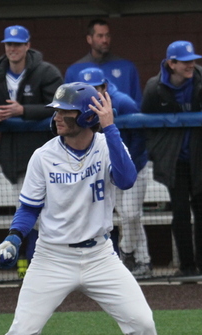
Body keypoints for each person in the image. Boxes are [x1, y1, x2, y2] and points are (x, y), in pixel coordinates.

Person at [0, 82, 181, 335]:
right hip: (52, 258)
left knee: (143, 323)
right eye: (55, 111)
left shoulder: (106, 145)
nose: (56, 117)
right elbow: (28, 210)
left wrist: (110, 126)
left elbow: (128, 180)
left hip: (101, 255)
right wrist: (13, 237)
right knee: (22, 331)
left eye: (64, 112)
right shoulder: (43, 155)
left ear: (85, 116)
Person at [141, 41, 202, 276]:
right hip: (174, 162)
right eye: (184, 62)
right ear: (171, 63)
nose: (190, 65)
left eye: (192, 61)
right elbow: (146, 124)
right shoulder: (154, 88)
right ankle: (186, 267)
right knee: (180, 213)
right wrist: (159, 153)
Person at [77, 67, 152, 278]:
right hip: (109, 169)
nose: (94, 93)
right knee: (129, 217)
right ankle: (143, 261)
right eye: (88, 89)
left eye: (97, 88)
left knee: (131, 214)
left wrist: (128, 167)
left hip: (134, 167)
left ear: (105, 86)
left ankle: (127, 253)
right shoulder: (82, 107)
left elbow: (140, 138)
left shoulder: (123, 102)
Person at [0, 25, 63, 196]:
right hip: (13, 152)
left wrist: (23, 110)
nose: (13, 49)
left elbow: (58, 105)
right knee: (24, 207)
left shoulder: (46, 72)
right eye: (9, 44)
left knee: (51, 208)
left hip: (45, 148)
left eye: (18, 44)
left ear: (27, 46)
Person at [64, 19, 142, 105]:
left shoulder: (127, 68)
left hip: (121, 117)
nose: (105, 40)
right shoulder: (74, 70)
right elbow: (68, 105)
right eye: (100, 36)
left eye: (107, 36)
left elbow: (137, 103)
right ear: (89, 39)